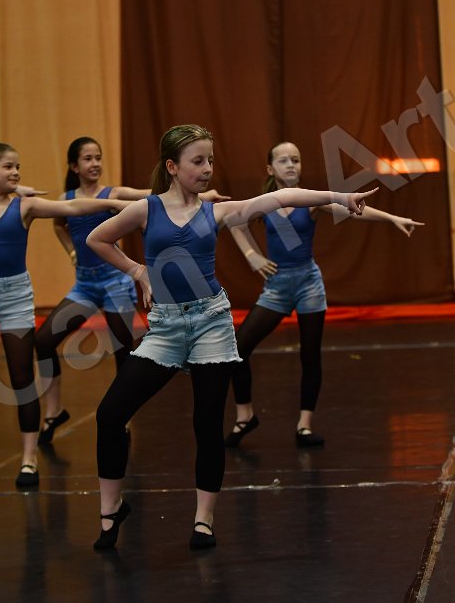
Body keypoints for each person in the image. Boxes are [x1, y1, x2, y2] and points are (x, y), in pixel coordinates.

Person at [85, 124, 377, 551]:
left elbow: (283, 198)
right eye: (197, 161)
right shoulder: (146, 209)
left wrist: (338, 197)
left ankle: (203, 520)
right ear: (172, 166)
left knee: (206, 424)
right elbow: (97, 238)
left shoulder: (216, 212)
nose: (207, 169)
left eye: (210, 160)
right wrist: (137, 271)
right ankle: (111, 511)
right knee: (110, 415)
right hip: (166, 327)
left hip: (211, 325)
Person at [225, 141, 423, 449]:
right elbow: (233, 221)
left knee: (310, 354)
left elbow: (353, 209)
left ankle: (304, 425)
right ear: (270, 169)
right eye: (283, 160)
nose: (291, 165)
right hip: (276, 288)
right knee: (238, 349)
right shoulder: (264, 202)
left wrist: (391, 218)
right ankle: (245, 416)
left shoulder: (310, 201)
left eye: (296, 159)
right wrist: (252, 255)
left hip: (309, 285)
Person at [35, 136, 229, 445]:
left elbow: (154, 195)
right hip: (84, 284)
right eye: (87, 158)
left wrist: (204, 196)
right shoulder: (67, 198)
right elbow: (59, 223)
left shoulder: (115, 193)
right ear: (74, 166)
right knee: (44, 340)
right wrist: (70, 249)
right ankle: (54, 409)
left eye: (98, 157)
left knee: (123, 349)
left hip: (115, 282)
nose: (95, 163)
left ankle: (121, 415)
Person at [0, 142, 128, 487]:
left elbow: (71, 207)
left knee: (21, 378)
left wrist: (115, 204)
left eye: (18, 167)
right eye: (8, 167)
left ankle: (29, 459)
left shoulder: (25, 206)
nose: (16, 172)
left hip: (15, 298)